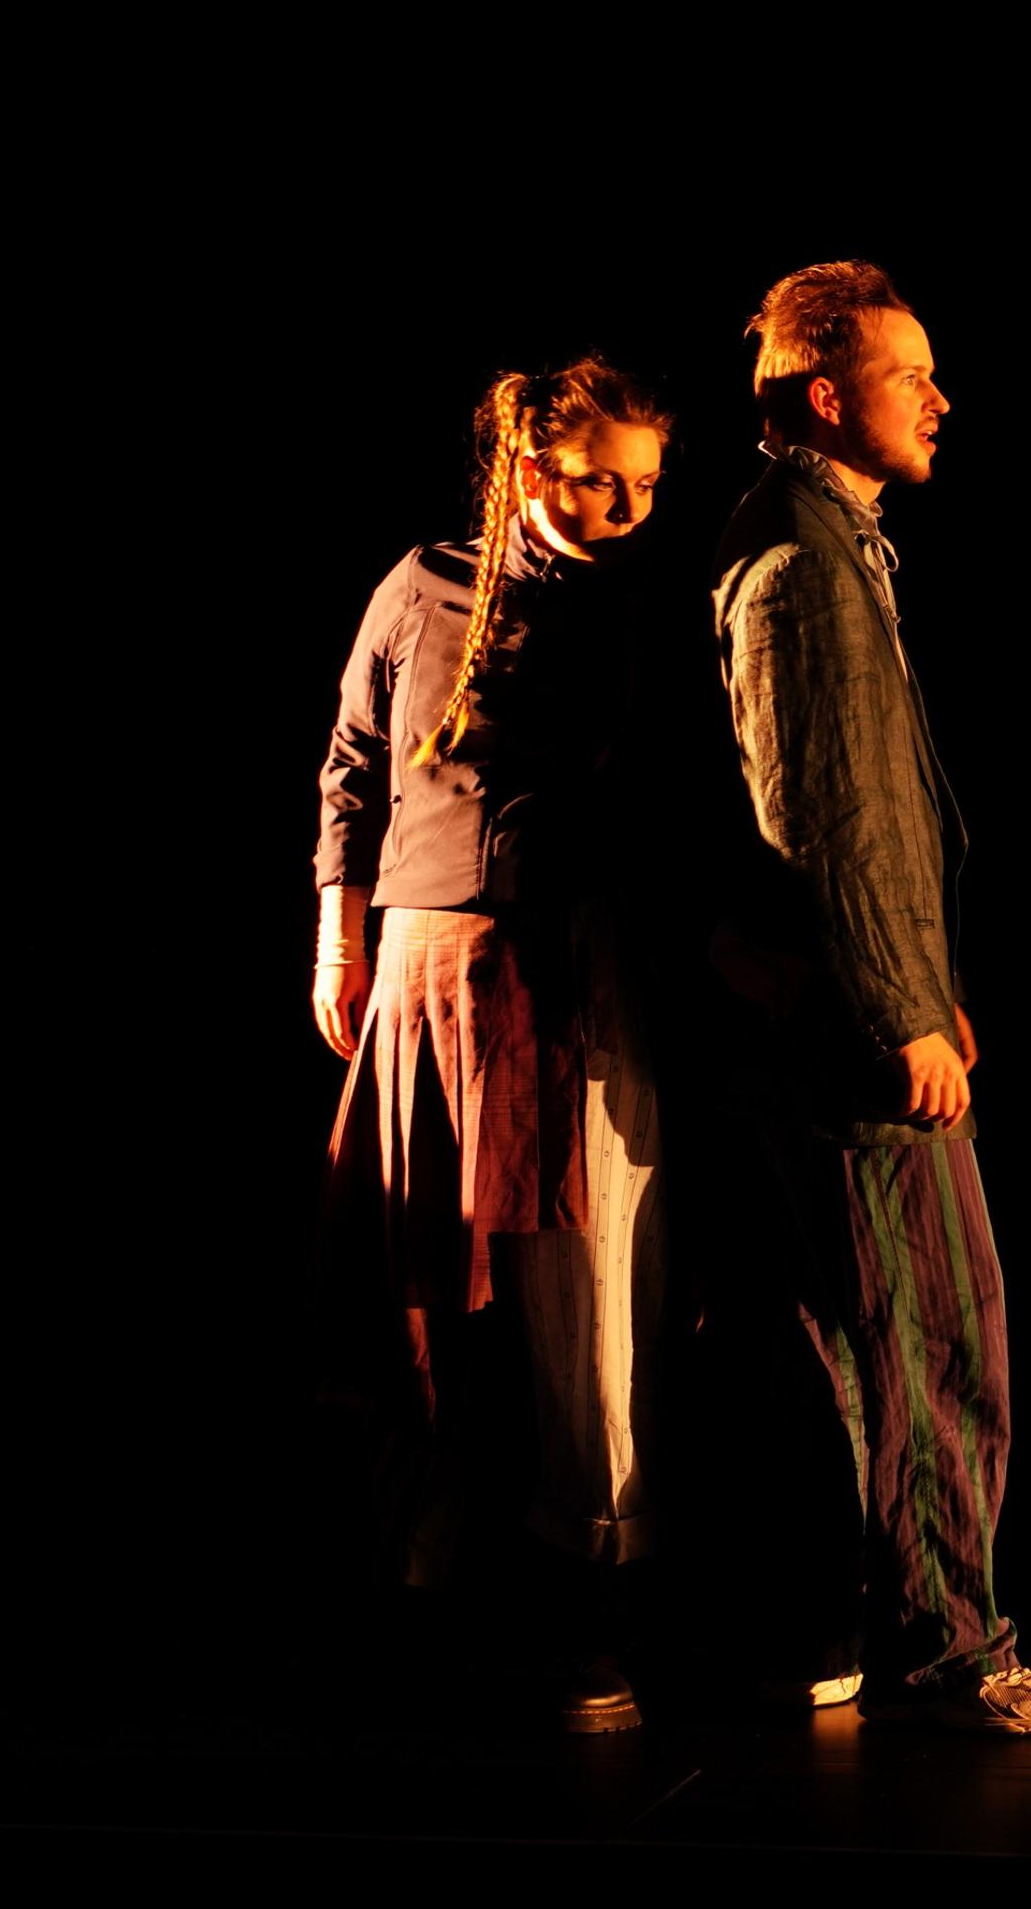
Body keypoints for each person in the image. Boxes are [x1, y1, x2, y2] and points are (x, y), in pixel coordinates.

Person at [706, 261, 1031, 1735]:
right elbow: (825, 814)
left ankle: (858, 1626)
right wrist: (896, 1011)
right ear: (824, 393)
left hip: (858, 1007)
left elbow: (872, 807)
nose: (940, 399)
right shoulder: (800, 562)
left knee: (869, 1343)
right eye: (908, 374)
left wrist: (933, 987)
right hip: (849, 1037)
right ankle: (949, 1650)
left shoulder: (829, 541)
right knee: (931, 1342)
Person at [309, 357, 680, 1732]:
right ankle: (415, 1582)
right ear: (529, 467)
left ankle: (591, 1595)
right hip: (428, 955)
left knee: (587, 1292)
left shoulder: (642, 604)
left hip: (576, 965)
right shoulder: (424, 585)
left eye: (647, 485)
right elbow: (353, 763)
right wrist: (340, 936)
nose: (627, 508)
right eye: (600, 481)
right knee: (419, 1286)